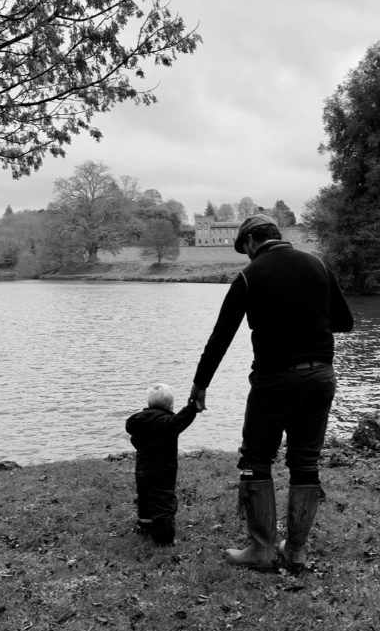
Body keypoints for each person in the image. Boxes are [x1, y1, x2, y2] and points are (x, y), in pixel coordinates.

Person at [189, 214, 353, 571]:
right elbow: (345, 322)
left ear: (250, 242)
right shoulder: (317, 265)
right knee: (305, 463)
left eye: (244, 250)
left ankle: (262, 549)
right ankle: (295, 552)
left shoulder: (251, 274)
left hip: (275, 381)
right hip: (320, 377)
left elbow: (221, 336)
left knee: (256, 461)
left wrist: (201, 384)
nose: (247, 257)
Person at [125, 382, 199, 546]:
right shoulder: (168, 423)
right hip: (163, 472)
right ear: (171, 405)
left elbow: (131, 433)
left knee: (144, 498)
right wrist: (193, 406)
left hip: (142, 470)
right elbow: (183, 419)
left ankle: (144, 526)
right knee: (163, 503)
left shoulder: (137, 420)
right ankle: (164, 539)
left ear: (149, 403)